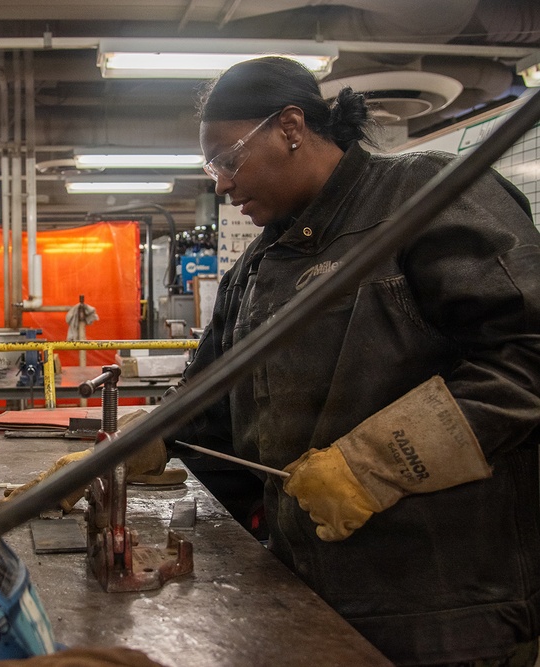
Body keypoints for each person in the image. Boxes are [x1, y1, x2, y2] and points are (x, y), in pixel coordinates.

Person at [174, 55, 540, 666]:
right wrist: (138, 447)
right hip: (311, 594)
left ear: (291, 127)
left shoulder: (429, 195)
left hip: (448, 613)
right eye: (213, 169)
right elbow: (208, 408)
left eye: (229, 160)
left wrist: (379, 461)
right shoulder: (256, 269)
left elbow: (527, 355)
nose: (222, 186)